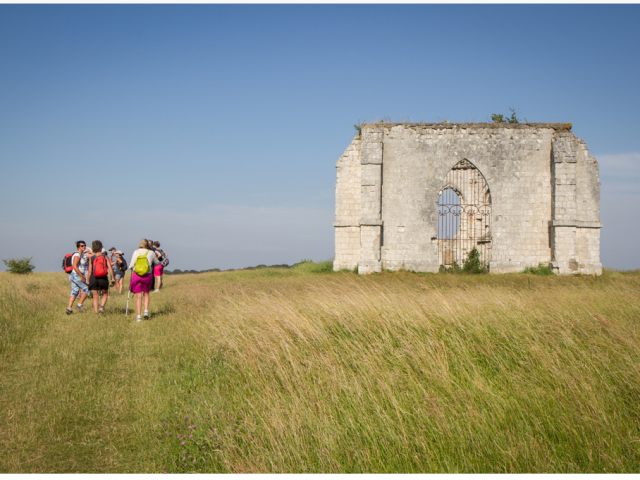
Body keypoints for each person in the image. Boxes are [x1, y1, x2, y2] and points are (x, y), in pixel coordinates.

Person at [129, 238, 160, 322]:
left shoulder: (136, 252)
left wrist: (132, 267)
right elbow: (157, 263)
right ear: (148, 245)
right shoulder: (151, 253)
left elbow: (131, 264)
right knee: (146, 294)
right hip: (147, 275)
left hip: (137, 275)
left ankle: (138, 316)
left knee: (138, 296)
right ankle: (146, 311)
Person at [87, 240, 116, 315]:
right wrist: (112, 278)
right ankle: (102, 307)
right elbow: (110, 268)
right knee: (105, 294)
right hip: (103, 277)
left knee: (95, 296)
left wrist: (88, 280)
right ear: (101, 247)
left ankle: (96, 313)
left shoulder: (92, 258)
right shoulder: (105, 256)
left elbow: (90, 271)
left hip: (94, 278)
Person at [66, 241, 89, 314]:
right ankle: (79, 305)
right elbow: (75, 266)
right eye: (82, 246)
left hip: (74, 275)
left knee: (74, 291)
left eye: (84, 245)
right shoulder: (77, 255)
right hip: (76, 275)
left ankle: (69, 308)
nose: (84, 247)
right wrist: (81, 276)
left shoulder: (81, 254)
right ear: (78, 247)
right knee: (86, 289)